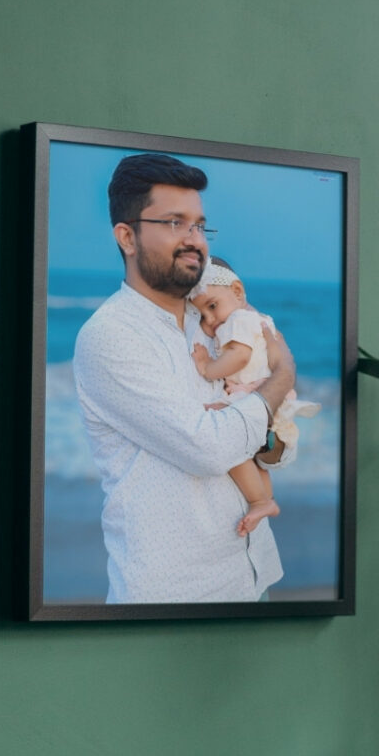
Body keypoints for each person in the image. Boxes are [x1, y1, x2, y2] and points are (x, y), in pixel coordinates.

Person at [72, 153, 296, 604]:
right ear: (127, 236)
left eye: (199, 225)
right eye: (175, 223)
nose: (194, 240)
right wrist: (282, 375)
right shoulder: (111, 336)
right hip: (174, 597)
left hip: (252, 577)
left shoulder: (215, 326)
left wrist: (271, 442)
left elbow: (271, 448)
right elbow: (209, 448)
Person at [188, 257, 321, 537]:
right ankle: (266, 501)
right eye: (202, 316)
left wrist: (206, 368)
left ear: (237, 292)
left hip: (255, 395)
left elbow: (239, 357)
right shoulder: (254, 319)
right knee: (250, 456)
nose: (210, 321)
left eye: (212, 306)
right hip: (266, 397)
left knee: (229, 443)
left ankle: (260, 501)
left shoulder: (238, 320)